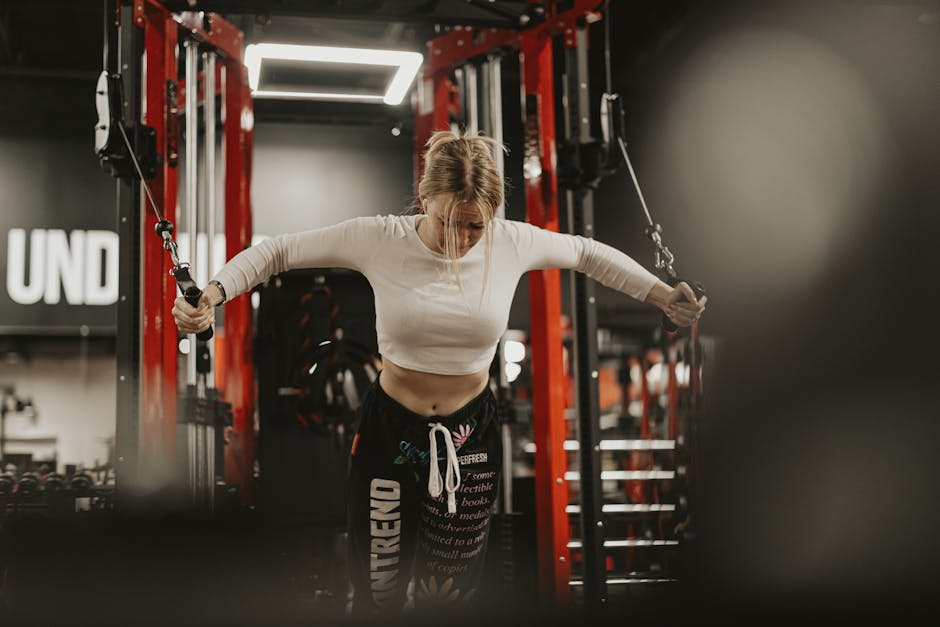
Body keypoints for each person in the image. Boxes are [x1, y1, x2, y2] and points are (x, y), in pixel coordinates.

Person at [171, 130, 706, 614]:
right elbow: (279, 251)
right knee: (380, 587)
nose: (465, 237)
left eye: (477, 224)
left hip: (468, 434)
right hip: (389, 428)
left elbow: (590, 255)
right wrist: (212, 294)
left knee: (447, 595)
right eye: (451, 221)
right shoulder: (380, 237)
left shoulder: (510, 242)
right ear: (424, 200)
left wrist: (663, 296)